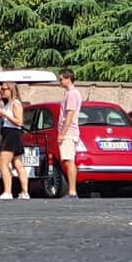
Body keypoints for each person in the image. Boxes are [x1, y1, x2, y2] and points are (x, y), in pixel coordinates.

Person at [0, 82, 30, 200]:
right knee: (17, 163)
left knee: (3, 163)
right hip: (8, 133)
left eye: (4, 89)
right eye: (1, 90)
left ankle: (8, 191)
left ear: (11, 90)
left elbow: (19, 122)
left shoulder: (15, 103)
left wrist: (5, 114)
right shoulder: (7, 104)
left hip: (13, 134)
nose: (2, 91)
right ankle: (24, 192)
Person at [57, 69, 83, 199]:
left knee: (68, 160)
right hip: (71, 131)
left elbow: (70, 114)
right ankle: (72, 190)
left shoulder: (72, 94)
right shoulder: (72, 93)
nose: (60, 82)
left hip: (69, 131)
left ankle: (72, 191)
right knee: (68, 160)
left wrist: (62, 133)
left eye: (61, 79)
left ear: (68, 78)